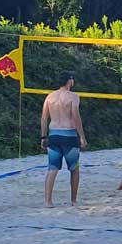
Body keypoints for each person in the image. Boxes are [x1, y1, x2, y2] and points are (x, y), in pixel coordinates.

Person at [40, 71, 87, 207]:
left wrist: (43, 137)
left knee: (52, 168)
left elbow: (44, 118)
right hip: (69, 135)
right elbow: (76, 117)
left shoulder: (49, 97)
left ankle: (48, 201)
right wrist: (82, 137)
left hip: (53, 134)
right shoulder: (73, 97)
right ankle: (73, 200)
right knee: (74, 168)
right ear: (70, 81)